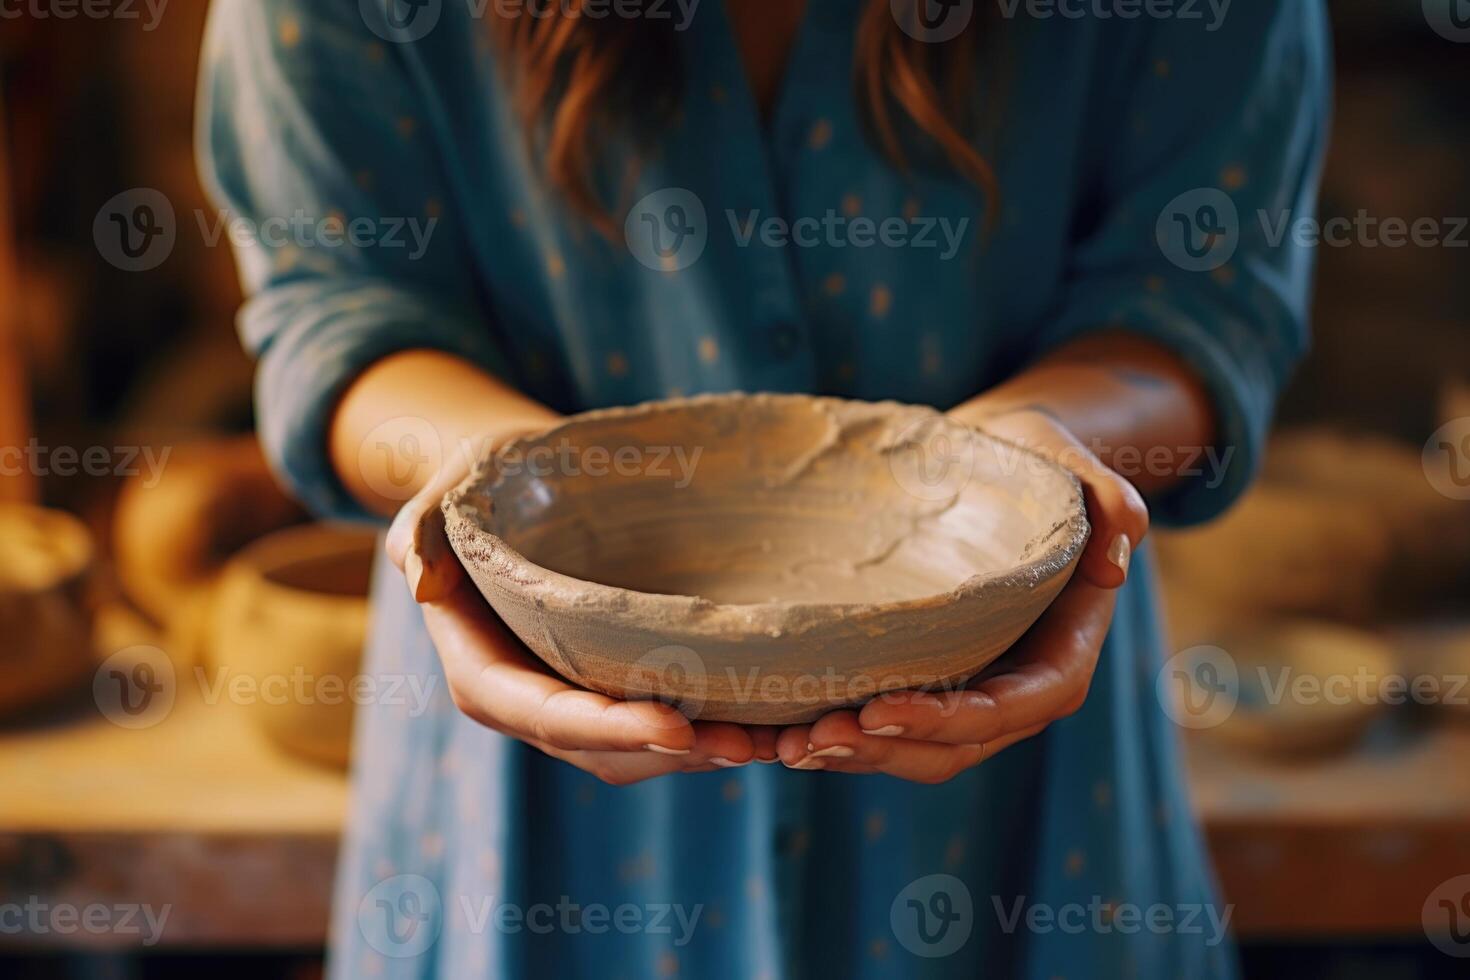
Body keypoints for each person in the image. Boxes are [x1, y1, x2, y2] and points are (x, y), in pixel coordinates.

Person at [199, 0, 1330, 976]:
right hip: (530, 769)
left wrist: (1037, 457)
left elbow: (1199, 299)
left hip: (1017, 769)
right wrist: (497, 482)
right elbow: (335, 306)